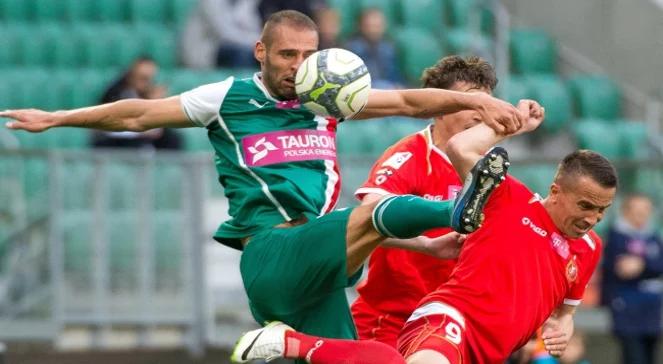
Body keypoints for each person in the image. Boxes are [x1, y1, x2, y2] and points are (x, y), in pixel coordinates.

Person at [2, 9, 525, 355]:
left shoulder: (326, 99)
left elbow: (411, 101)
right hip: (271, 251)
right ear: (260, 51)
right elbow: (138, 114)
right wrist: (59, 116)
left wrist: (475, 100)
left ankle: (277, 345)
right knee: (370, 212)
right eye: (286, 55)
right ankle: (460, 207)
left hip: (317, 270)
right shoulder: (225, 98)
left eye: (306, 55)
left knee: (375, 358)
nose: (298, 67)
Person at [231, 108, 619, 363]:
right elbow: (460, 145)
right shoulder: (511, 198)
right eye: (585, 205)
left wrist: (561, 327)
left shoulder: (589, 248)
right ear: (556, 191)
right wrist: (508, 121)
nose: (594, 217)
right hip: (449, 320)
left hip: (491, 353)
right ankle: (288, 342)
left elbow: (565, 312)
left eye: (602, 209)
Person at [351, 55, 498, 348]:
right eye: (471, 103)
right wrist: (427, 246)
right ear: (439, 108)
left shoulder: (488, 167)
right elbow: (363, 219)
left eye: (488, 104)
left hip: (453, 320)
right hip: (392, 319)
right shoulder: (409, 156)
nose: (481, 114)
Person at [601, 193, 663, 364]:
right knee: (634, 357)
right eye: (637, 210)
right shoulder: (616, 237)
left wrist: (642, 265)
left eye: (646, 210)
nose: (642, 214)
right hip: (627, 311)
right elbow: (621, 269)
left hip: (652, 312)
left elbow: (659, 265)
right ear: (626, 211)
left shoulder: (653, 237)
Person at [93, 57, 181, 150]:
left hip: (143, 137)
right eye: (143, 78)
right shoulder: (116, 92)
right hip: (117, 140)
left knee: (172, 138)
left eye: (150, 79)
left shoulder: (148, 93)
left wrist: (157, 103)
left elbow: (156, 129)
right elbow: (105, 125)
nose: (147, 83)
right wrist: (139, 131)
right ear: (132, 76)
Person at [179, 0, 261, 69]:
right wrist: (256, 41)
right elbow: (225, 34)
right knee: (244, 53)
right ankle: (241, 86)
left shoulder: (245, 3)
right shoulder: (210, 2)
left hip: (229, 47)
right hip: (204, 52)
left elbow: (251, 27)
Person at [345, 8, 404, 89]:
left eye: (377, 26)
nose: (373, 30)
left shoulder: (388, 48)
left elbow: (395, 76)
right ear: (361, 26)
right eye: (370, 26)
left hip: (390, 91)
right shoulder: (352, 48)